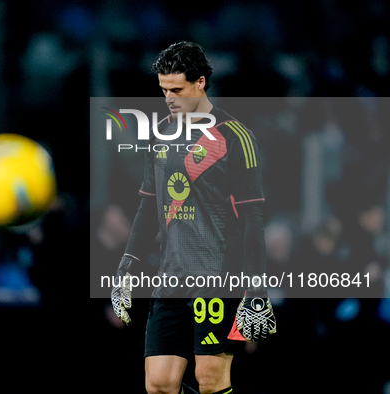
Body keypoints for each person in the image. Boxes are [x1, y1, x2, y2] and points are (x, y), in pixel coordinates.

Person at [111, 41, 276, 394]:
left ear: (200, 83)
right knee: (158, 384)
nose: (168, 98)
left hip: (220, 275)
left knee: (210, 380)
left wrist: (257, 288)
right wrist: (127, 266)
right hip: (170, 276)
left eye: (177, 89)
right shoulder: (159, 136)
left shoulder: (236, 137)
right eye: (163, 90)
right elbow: (148, 206)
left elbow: (252, 217)